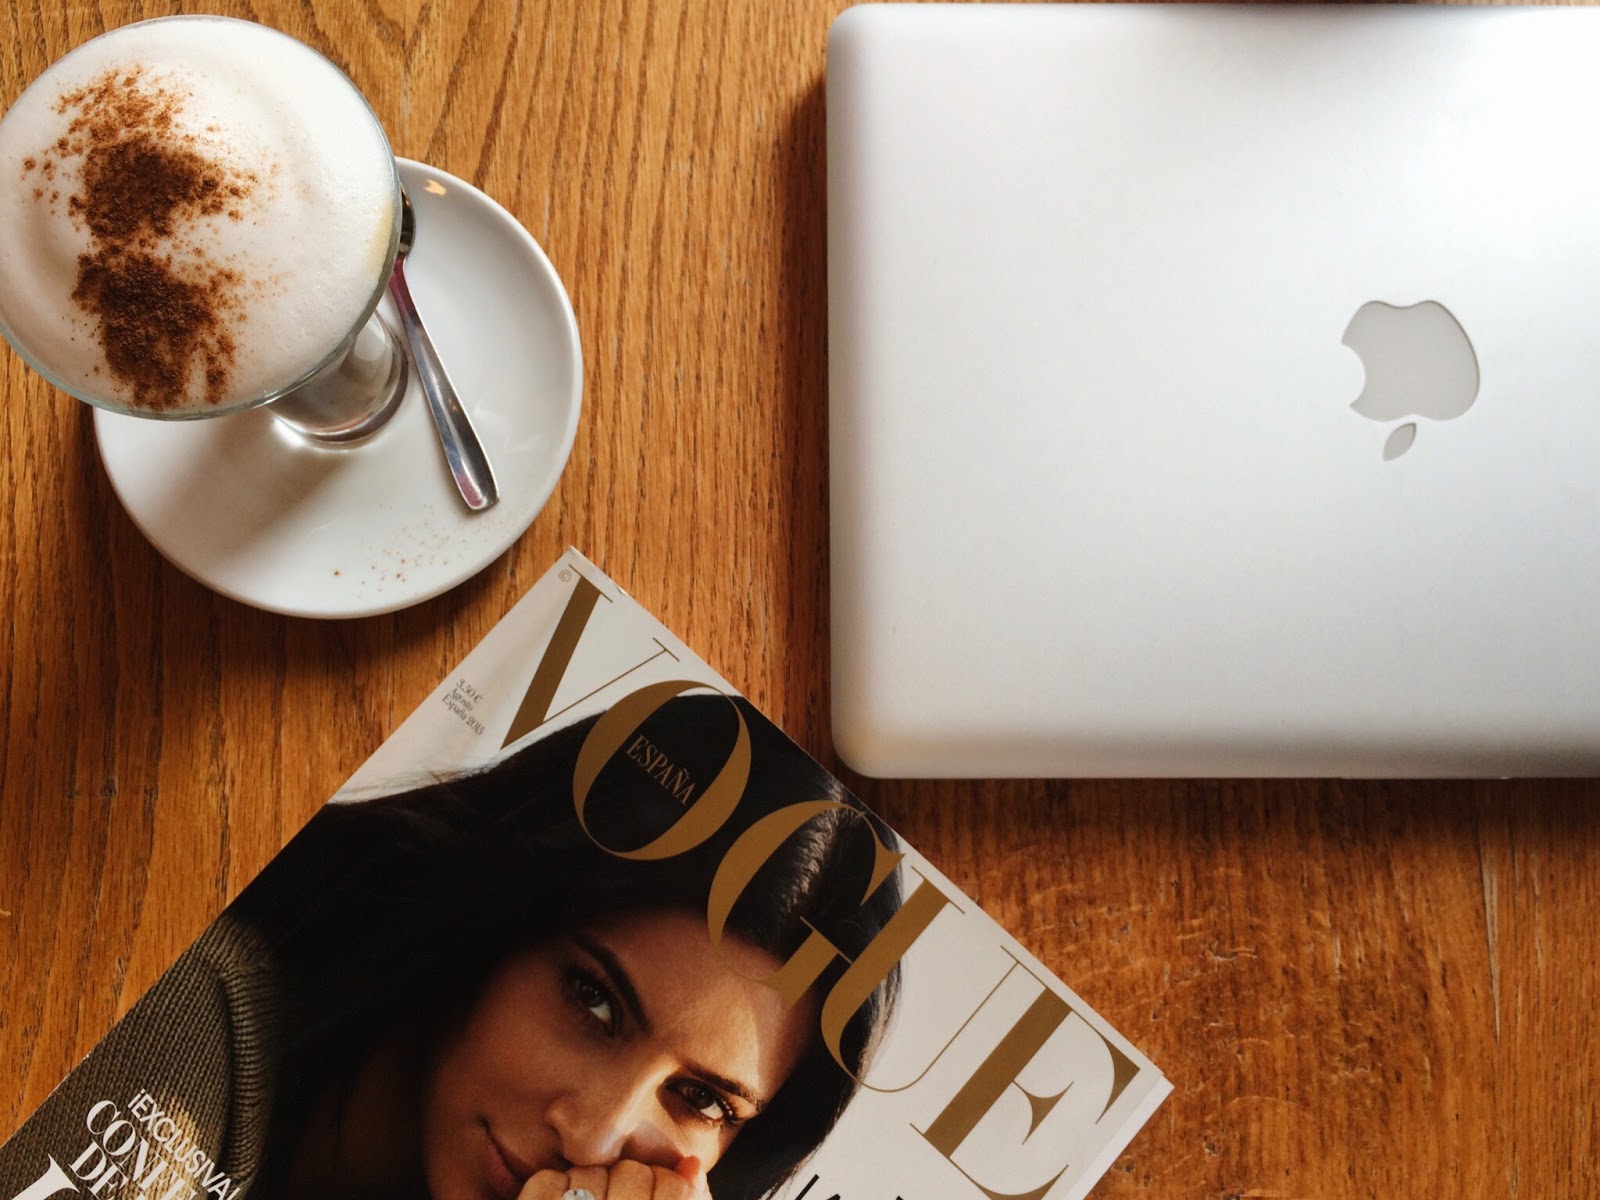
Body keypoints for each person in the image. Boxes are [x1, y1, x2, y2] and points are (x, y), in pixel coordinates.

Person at [226, 691, 906, 1200]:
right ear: (503, 916)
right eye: (593, 1000)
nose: (592, 1137)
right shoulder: (209, 1021)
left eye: (702, 1100)